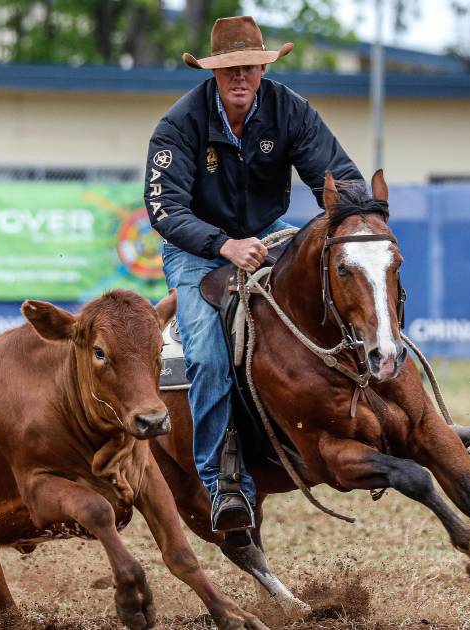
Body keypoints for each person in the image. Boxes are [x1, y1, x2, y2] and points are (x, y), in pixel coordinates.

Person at [143, 16, 364, 532]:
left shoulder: (290, 110)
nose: (240, 77)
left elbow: (339, 175)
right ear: (213, 73)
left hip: (268, 233)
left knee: (358, 286)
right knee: (204, 349)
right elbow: (164, 210)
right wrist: (223, 244)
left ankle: (412, 422)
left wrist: (359, 221)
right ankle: (223, 481)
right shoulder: (180, 125)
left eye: (250, 67)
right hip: (195, 249)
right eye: (229, 69)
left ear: (263, 69)